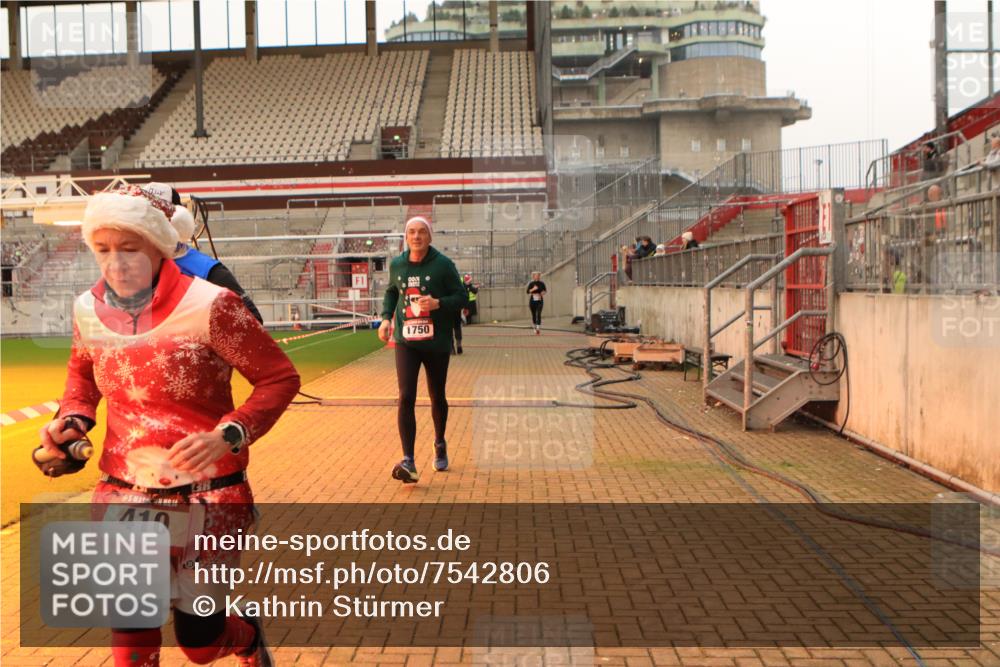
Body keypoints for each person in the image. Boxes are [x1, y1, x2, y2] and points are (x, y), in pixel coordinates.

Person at [39, 185, 301, 667]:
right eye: (103, 250)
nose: (116, 262)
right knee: (132, 632)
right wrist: (72, 424)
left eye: (130, 248)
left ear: (159, 247)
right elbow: (81, 377)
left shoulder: (212, 304)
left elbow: (278, 378)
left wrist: (231, 432)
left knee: (199, 646)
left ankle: (242, 636)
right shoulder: (85, 310)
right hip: (124, 494)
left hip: (209, 497)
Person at [378, 216, 466, 483]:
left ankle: (439, 442)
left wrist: (438, 303)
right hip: (406, 342)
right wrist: (385, 317)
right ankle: (409, 460)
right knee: (406, 396)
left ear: (429, 236)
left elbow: (461, 297)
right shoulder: (397, 264)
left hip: (436, 341)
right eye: (411, 232)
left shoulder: (443, 265)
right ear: (406, 237)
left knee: (437, 396)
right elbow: (392, 291)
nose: (416, 237)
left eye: (421, 232)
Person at [142, 183, 263, 324]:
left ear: (177, 221)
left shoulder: (206, 271)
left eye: (156, 217)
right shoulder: (125, 269)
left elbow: (253, 322)